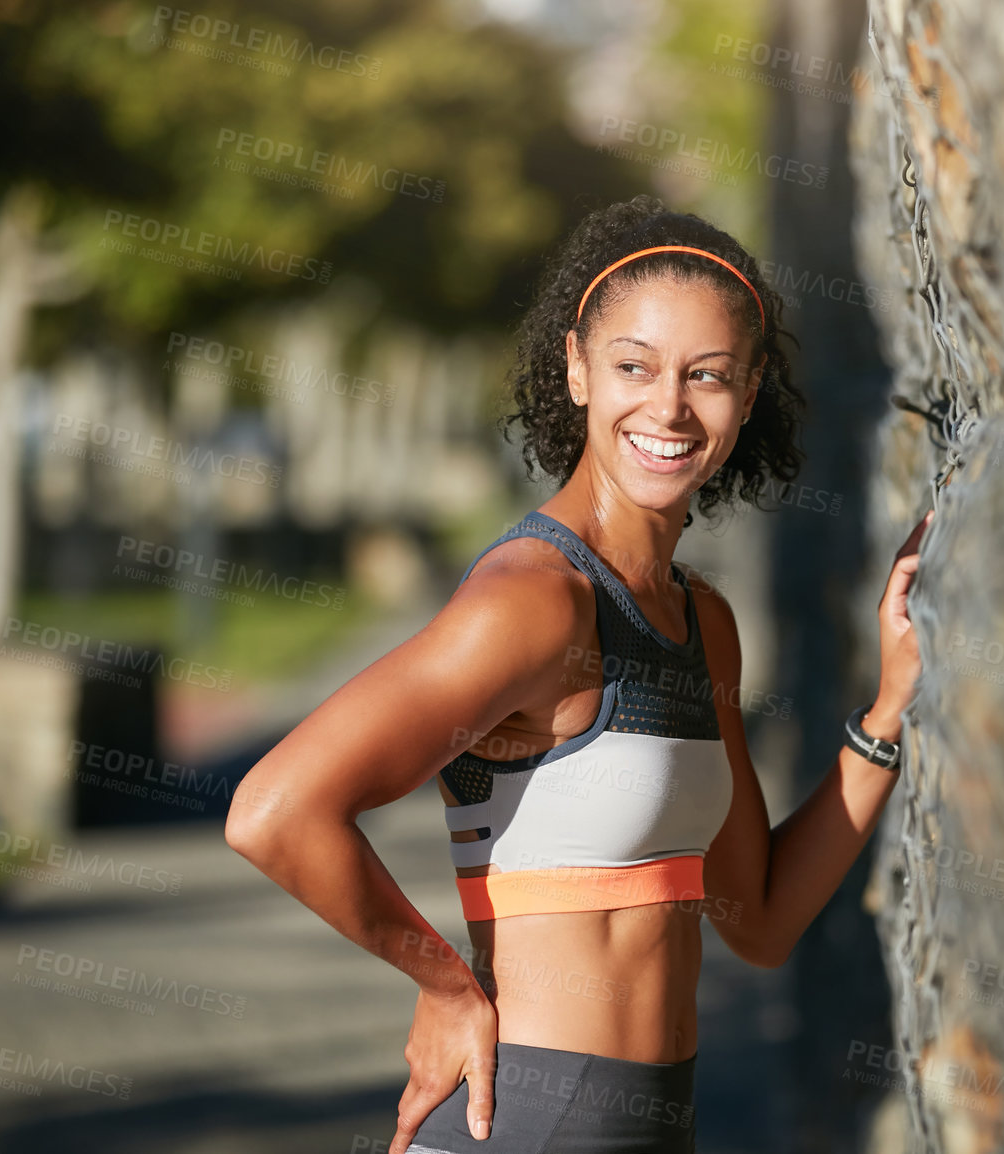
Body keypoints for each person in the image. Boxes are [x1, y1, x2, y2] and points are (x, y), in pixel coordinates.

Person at [225, 194, 932, 1154]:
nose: (669, 407)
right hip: (515, 1121)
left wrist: (888, 710)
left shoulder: (701, 623)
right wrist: (442, 983)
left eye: (708, 376)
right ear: (576, 371)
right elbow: (275, 811)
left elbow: (758, 921)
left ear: (752, 389)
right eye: (633, 368)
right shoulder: (535, 599)